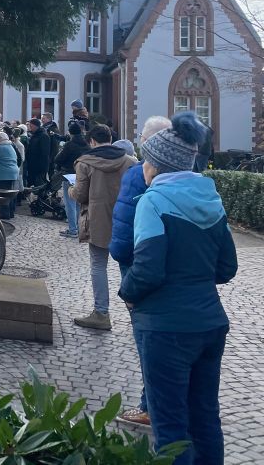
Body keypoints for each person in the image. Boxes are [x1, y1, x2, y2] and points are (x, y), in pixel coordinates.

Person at [119, 112, 237, 465]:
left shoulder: (153, 202)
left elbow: (148, 271)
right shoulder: (212, 200)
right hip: (210, 324)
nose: (143, 167)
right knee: (204, 419)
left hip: (165, 327)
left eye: (146, 161)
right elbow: (227, 267)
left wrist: (127, 292)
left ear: (156, 166)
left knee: (171, 430)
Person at [108, 115, 172, 426]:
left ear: (145, 142)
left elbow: (123, 236)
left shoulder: (138, 175)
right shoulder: (192, 177)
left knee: (147, 339)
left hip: (140, 269)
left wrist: (129, 284)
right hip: (178, 276)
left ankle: (150, 406)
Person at [70, 124, 137, 330]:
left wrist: (71, 190)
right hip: (125, 220)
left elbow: (81, 195)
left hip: (97, 220)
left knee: (99, 266)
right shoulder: (131, 162)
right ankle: (137, 314)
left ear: (91, 141)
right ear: (110, 138)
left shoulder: (85, 163)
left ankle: (101, 313)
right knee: (127, 266)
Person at [53, 120, 90, 238]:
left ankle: (72, 229)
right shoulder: (87, 144)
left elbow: (59, 159)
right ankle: (80, 229)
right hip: (83, 175)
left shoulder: (70, 144)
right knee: (79, 203)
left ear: (70, 132)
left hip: (69, 175)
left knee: (70, 204)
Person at [23, 118, 51, 187]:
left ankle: (43, 197)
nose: (29, 128)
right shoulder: (34, 135)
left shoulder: (43, 136)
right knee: (33, 183)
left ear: (35, 126)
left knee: (40, 184)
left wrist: (41, 166)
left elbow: (45, 152)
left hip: (39, 166)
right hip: (32, 165)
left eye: (30, 126)